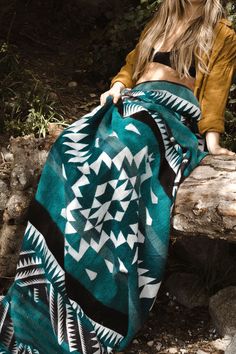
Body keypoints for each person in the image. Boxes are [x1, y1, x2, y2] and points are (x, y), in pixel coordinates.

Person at [0, 1, 235, 354]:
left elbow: (215, 92)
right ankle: (53, 278)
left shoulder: (221, 32)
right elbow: (130, 66)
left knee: (122, 150)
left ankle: (97, 298)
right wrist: (118, 85)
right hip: (132, 102)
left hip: (171, 117)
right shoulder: (161, 20)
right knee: (69, 144)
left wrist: (213, 141)